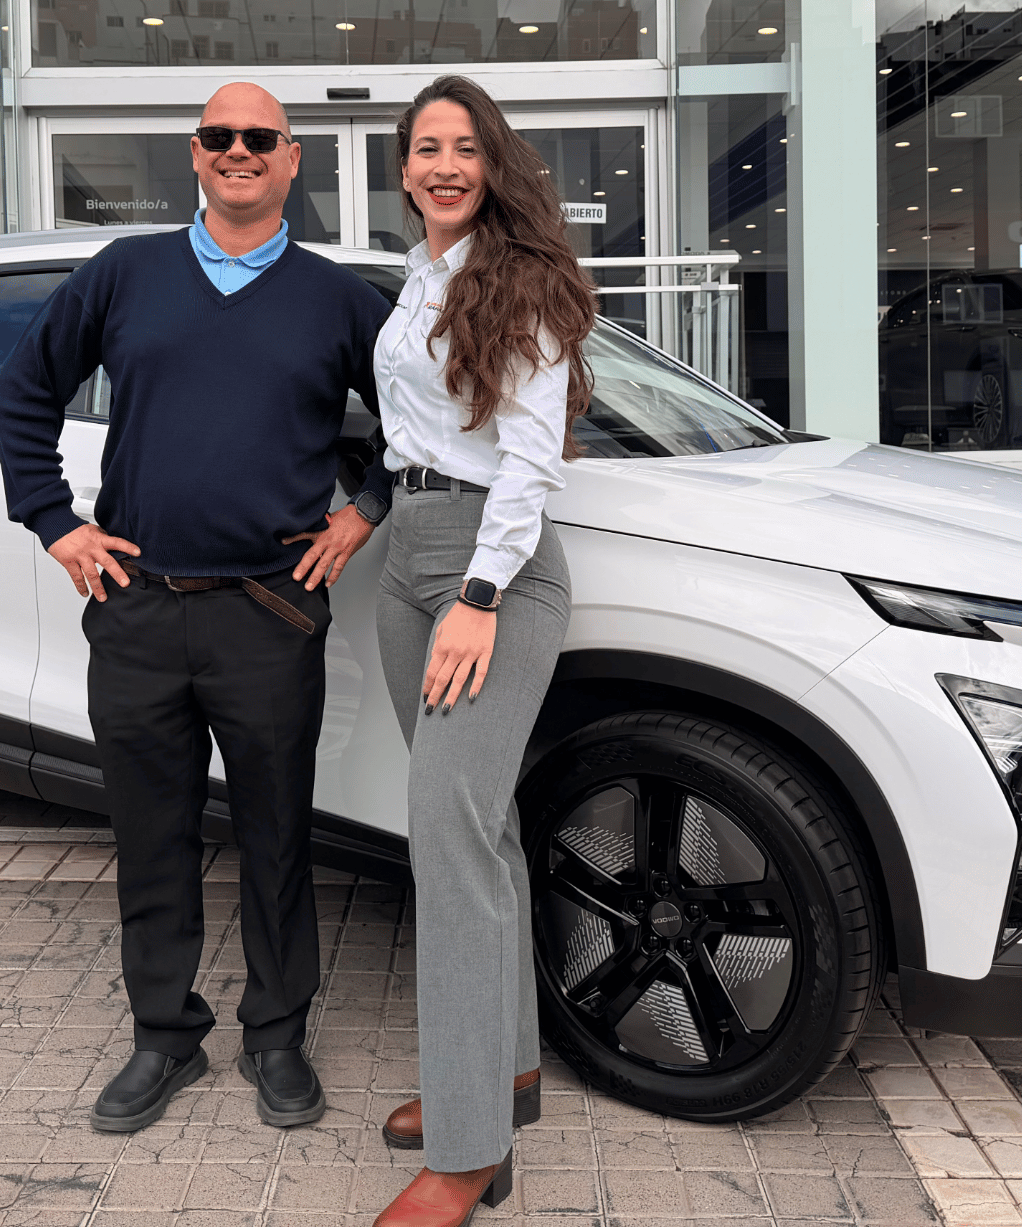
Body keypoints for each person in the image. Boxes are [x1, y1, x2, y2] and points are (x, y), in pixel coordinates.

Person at [0, 81, 394, 1135]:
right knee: (151, 835)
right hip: (137, 607)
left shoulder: (339, 300)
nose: (238, 150)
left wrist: (363, 513)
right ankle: (164, 1035)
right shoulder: (124, 274)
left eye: (259, 137)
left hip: (268, 613)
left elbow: (421, 421)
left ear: (291, 158)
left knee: (277, 836)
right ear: (196, 152)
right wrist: (55, 522)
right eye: (220, 136)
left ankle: (276, 1035)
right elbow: (21, 392)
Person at [367, 75, 596, 1227]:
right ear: (403, 169)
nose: (444, 165)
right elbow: (411, 428)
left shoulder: (523, 282)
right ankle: (500, 1079)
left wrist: (477, 593)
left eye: (463, 147)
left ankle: (466, 1155)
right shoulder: (417, 280)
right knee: (480, 832)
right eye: (425, 148)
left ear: (490, 163)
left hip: (485, 571)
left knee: (446, 841)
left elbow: (529, 459)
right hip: (405, 553)